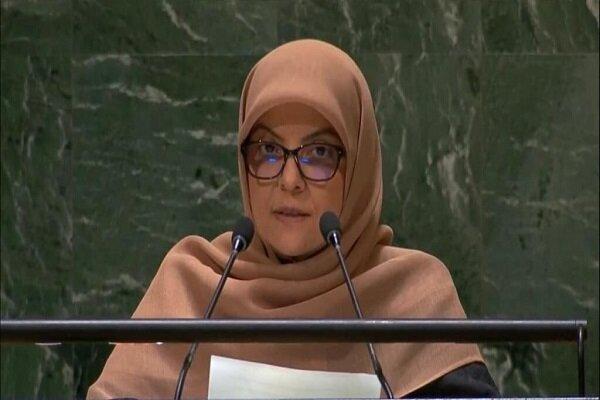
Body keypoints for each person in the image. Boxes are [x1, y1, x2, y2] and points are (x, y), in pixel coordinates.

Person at [87, 39, 498, 399]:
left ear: (360, 165)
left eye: (318, 154)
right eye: (267, 151)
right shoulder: (191, 289)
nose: (289, 181)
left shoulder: (414, 297)